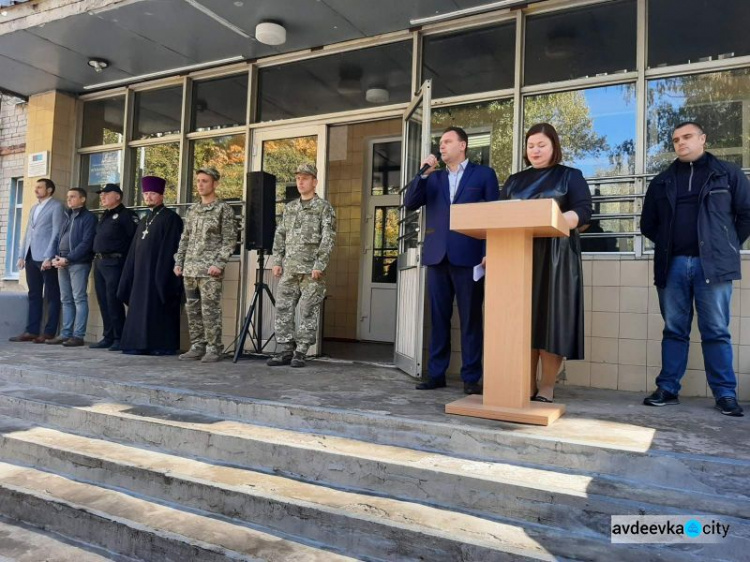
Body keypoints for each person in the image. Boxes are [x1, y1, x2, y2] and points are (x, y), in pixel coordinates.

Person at [641, 121, 750, 417]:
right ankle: (668, 389)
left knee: (716, 330)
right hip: (673, 265)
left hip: (713, 267)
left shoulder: (727, 174)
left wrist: (723, 246)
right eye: (676, 139)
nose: (681, 143)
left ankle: (725, 393)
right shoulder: (662, 181)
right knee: (674, 329)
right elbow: (648, 224)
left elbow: (746, 215)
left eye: (687, 137)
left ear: (703, 139)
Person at [499, 123, 592, 403]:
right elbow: (499, 217)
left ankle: (547, 386)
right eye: (531, 146)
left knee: (552, 320)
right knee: (522, 321)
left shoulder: (570, 176)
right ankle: (525, 384)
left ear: (554, 146)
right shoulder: (514, 181)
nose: (535, 150)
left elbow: (585, 211)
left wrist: (558, 222)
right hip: (519, 256)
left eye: (541, 145)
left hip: (557, 258)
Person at [404, 126, 499, 395]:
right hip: (437, 256)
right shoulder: (432, 178)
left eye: (447, 142)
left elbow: (493, 215)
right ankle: (437, 374)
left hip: (470, 257)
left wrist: (488, 248)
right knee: (439, 317)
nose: (441, 146)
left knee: (470, 318)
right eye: (440, 142)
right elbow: (410, 202)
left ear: (463, 145)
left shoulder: (483, 175)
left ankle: (471, 377)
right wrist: (421, 173)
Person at [267, 163, 336, 368]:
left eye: (305, 178)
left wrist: (319, 264)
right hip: (290, 268)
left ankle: (301, 352)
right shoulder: (290, 208)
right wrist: (277, 261)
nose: (300, 182)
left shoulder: (324, 208)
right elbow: (280, 236)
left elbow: (328, 238)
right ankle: (287, 349)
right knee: (283, 307)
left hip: (311, 271)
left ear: (314, 182)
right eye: (298, 178)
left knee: (307, 309)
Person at [174, 167, 237, 363]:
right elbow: (185, 238)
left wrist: (219, 263)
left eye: (205, 181)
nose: (200, 185)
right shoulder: (193, 209)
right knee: (192, 309)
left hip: (210, 270)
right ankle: (197, 346)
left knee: (210, 310)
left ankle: (214, 348)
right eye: (199, 181)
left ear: (215, 184)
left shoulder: (223, 209)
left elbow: (230, 240)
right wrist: (179, 262)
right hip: (190, 269)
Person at [117, 176, 184, 355]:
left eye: (152, 193)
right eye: (146, 194)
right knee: (139, 307)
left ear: (161, 195)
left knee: (157, 308)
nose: (148, 197)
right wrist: (129, 273)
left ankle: (159, 345)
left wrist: (161, 275)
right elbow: (133, 250)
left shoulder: (171, 219)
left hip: (158, 274)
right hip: (140, 274)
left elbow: (172, 247)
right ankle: (137, 344)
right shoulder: (145, 219)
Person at [9, 178, 65, 344]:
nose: (36, 190)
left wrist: (49, 256)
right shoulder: (34, 208)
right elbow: (27, 233)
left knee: (51, 295)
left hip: (46, 259)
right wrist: (21, 255)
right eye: (36, 187)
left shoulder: (57, 207)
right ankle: (32, 330)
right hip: (30, 256)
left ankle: (49, 332)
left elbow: (56, 233)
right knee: (33, 294)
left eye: (39, 187)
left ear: (49, 190)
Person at [89, 184, 138, 352]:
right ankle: (108, 336)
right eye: (101, 194)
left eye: (105, 194)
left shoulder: (126, 215)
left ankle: (119, 337)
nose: (102, 197)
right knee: (103, 300)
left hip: (115, 263)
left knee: (113, 300)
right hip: (100, 262)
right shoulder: (105, 215)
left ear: (117, 196)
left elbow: (134, 240)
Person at [46, 188, 97, 347]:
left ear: (82, 199)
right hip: (62, 261)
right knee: (66, 299)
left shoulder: (89, 218)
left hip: (78, 263)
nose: (69, 199)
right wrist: (54, 257)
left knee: (79, 298)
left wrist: (68, 258)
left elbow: (87, 243)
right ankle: (65, 333)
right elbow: (57, 239)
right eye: (68, 197)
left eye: (73, 196)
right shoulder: (67, 216)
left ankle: (78, 335)